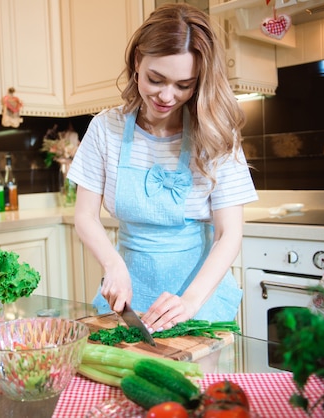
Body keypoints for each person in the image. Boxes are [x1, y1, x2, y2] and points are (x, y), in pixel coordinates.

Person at [67, 4, 258, 334]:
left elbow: (229, 234)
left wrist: (191, 301)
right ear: (138, 61)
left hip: (200, 296)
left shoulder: (215, 133)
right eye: (156, 79)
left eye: (184, 85)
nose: (167, 96)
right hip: (129, 295)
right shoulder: (105, 128)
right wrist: (112, 265)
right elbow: (85, 215)